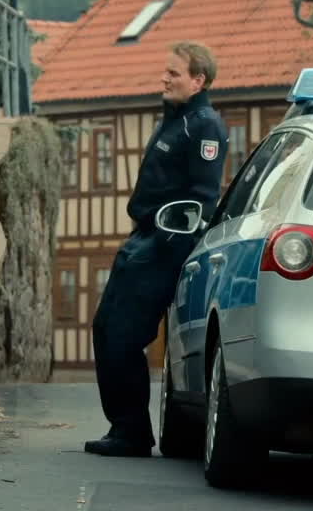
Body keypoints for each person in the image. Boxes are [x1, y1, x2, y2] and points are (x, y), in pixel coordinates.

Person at [85, 41, 229, 457]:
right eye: (165, 71)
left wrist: (168, 243)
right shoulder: (175, 120)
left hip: (164, 246)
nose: (164, 79)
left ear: (198, 80)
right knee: (106, 329)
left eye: (174, 73)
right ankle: (125, 426)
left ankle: (130, 433)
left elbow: (202, 199)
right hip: (143, 238)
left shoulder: (204, 126)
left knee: (124, 335)